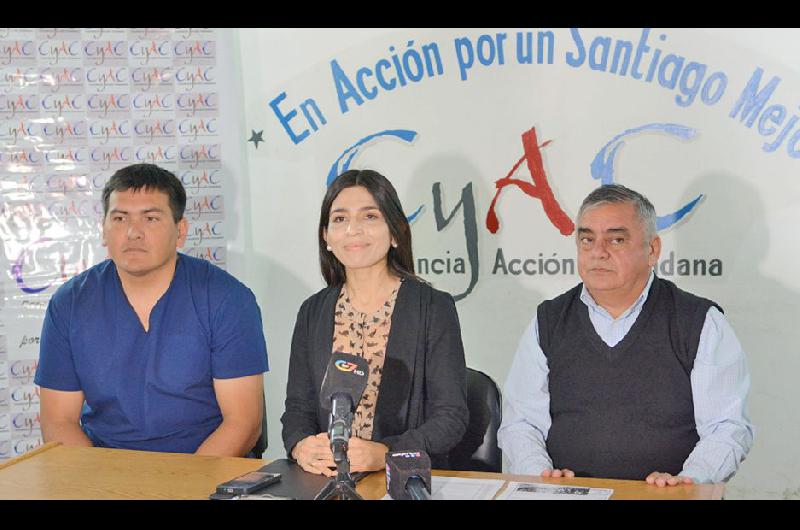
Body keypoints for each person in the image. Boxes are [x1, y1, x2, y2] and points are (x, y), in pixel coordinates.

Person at [497, 183, 753, 487]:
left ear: (652, 250)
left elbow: (726, 427)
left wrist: (687, 481)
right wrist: (542, 476)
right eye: (587, 240)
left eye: (616, 240)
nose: (598, 253)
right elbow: (521, 423)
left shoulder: (699, 322)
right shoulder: (549, 320)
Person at [35, 163, 268, 457]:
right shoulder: (69, 303)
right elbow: (59, 422)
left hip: (205, 471)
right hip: (106, 468)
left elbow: (243, 424)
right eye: (119, 218)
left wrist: (180, 488)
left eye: (151, 218)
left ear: (180, 231)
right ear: (103, 230)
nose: (133, 232)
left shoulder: (227, 299)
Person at [281, 169, 468, 476]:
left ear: (395, 233)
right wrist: (301, 446)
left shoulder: (433, 307)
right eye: (340, 219)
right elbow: (297, 409)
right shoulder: (312, 312)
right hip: (325, 481)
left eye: (370, 216)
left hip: (401, 480)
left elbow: (451, 417)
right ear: (326, 237)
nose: (353, 229)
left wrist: (387, 454)